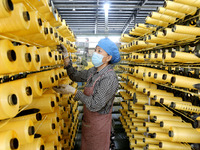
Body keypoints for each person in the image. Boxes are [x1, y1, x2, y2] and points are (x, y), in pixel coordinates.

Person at [54, 38, 121, 150]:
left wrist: (74, 91)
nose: (95, 53)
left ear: (108, 58)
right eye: (95, 50)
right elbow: (75, 75)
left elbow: (95, 104)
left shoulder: (109, 78)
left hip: (100, 125)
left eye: (99, 51)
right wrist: (66, 57)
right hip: (89, 122)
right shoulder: (93, 71)